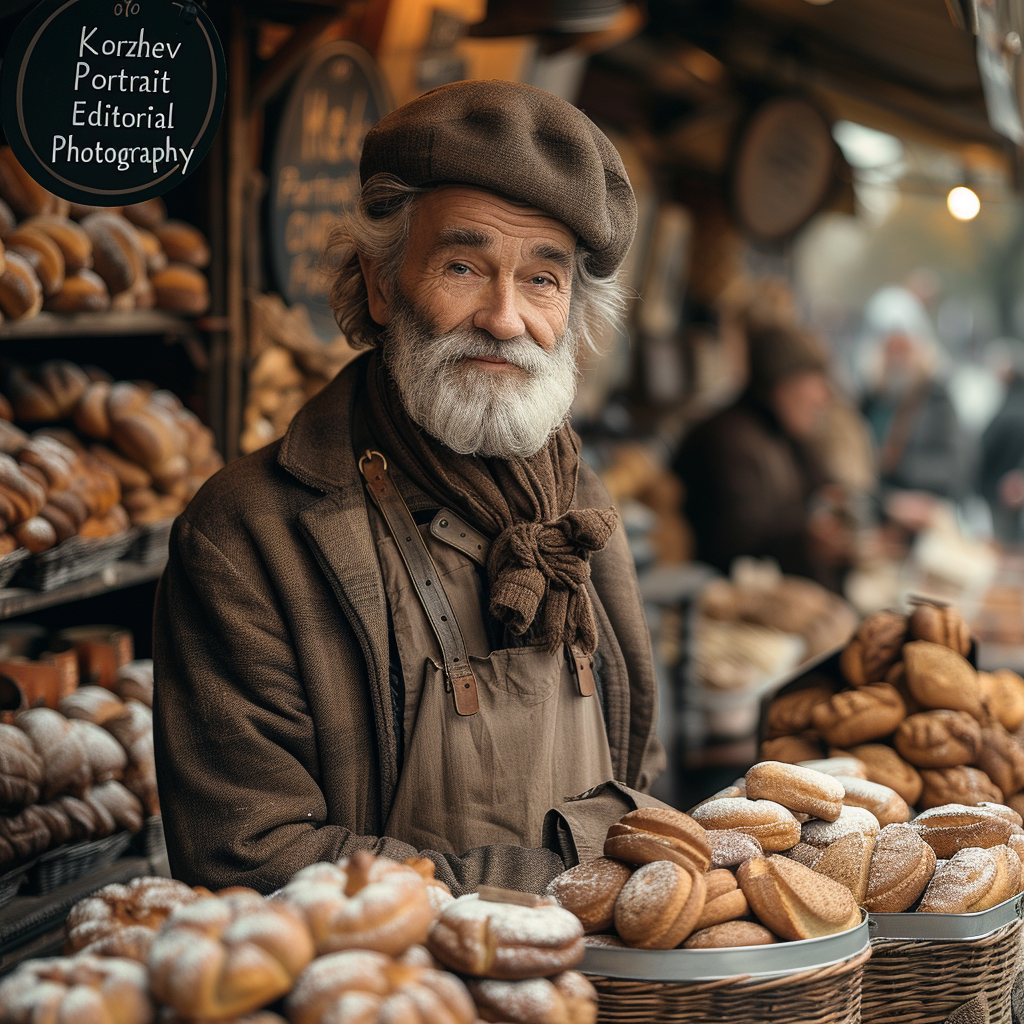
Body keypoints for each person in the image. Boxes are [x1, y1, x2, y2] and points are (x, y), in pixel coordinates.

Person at [153, 80, 665, 896]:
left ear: (572, 311)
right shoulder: (251, 534)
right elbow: (246, 859)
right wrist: (571, 883)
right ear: (383, 282)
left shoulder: (580, 508)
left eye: (542, 279)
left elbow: (642, 766)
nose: (504, 318)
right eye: (464, 265)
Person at [674, 323, 851, 585]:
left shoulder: (784, 436)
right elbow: (731, 546)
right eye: (815, 378)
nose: (825, 396)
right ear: (782, 382)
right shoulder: (729, 441)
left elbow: (830, 489)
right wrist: (805, 542)